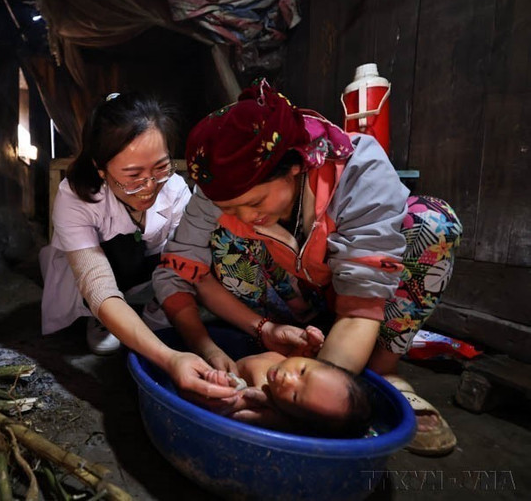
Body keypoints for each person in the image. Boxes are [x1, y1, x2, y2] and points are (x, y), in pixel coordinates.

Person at [153, 79, 463, 455]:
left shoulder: (358, 168)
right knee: (222, 238)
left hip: (356, 310)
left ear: (295, 166)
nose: (246, 216)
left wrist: (295, 411)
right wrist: (209, 346)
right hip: (289, 313)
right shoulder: (219, 185)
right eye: (231, 206)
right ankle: (293, 352)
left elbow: (361, 306)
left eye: (256, 201)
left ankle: (379, 373)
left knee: (431, 224)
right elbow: (179, 271)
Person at [39, 91, 236, 400]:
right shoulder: (75, 197)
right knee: (117, 253)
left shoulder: (174, 189)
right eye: (132, 176)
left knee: (181, 254)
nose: (148, 187)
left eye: (160, 167)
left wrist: (203, 346)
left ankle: (155, 310)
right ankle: (100, 318)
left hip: (146, 265)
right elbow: (97, 284)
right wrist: (169, 358)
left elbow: (184, 262)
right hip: (108, 269)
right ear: (101, 169)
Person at [198, 350, 372, 438]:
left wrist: (222, 383)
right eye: (303, 371)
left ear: (291, 416)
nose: (288, 380)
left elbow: (221, 407)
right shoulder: (283, 359)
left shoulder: (258, 402)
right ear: (313, 359)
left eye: (295, 396)